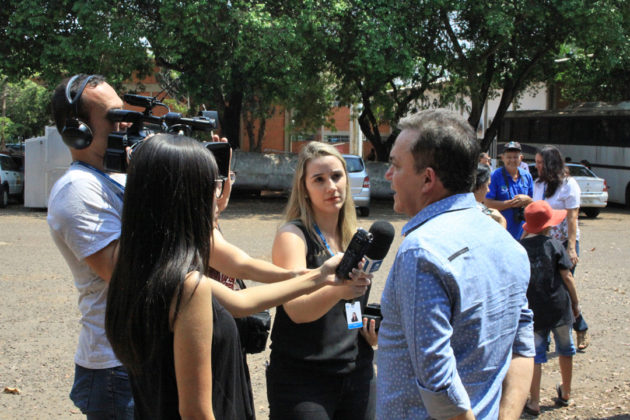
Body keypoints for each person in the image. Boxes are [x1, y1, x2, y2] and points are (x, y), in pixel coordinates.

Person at [104, 134, 370, 419]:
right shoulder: (188, 285)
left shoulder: (140, 267)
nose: (217, 196)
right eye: (211, 186)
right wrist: (321, 279)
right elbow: (196, 411)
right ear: (183, 198)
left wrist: (316, 276)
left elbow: (241, 297)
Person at [376, 109, 534, 419]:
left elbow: (439, 384)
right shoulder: (507, 243)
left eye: (395, 165)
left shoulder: (422, 252)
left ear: (427, 178)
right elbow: (523, 348)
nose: (387, 175)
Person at [267, 141, 378, 420]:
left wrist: (366, 330)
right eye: (319, 179)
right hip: (304, 380)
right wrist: (339, 291)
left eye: (337, 176)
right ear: (304, 188)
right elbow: (296, 310)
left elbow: (351, 304)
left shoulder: (355, 236)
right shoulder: (293, 236)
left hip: (357, 372)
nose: (331, 186)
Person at [48, 74, 135, 418]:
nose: (126, 123)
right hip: (115, 368)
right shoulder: (77, 190)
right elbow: (127, 272)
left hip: (138, 356)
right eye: (114, 117)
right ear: (77, 130)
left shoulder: (116, 177)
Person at [520, 201, 581, 416]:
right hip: (559, 306)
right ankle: (566, 392)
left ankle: (534, 400)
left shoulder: (520, 248)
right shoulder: (555, 245)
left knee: (535, 355)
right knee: (566, 348)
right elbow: (567, 276)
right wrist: (576, 304)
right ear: (549, 225)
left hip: (534, 309)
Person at [533, 146, 589, 350]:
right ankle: (545, 335)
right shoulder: (538, 183)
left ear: (551, 164)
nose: (537, 166)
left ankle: (579, 326)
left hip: (564, 243)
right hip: (545, 243)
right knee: (544, 288)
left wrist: (571, 248)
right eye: (536, 162)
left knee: (564, 288)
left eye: (541, 163)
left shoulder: (569, 185)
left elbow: (573, 218)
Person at [485, 141, 534, 239]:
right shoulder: (495, 176)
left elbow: (533, 203)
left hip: (523, 233)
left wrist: (527, 200)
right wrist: (512, 203)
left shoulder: (527, 176)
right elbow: (487, 203)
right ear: (502, 158)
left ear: (521, 158)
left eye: (515, 157)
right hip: (501, 232)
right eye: (509, 157)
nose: (512, 160)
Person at [474, 163, 507, 228]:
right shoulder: (481, 214)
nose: (488, 190)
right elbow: (499, 237)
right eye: (488, 185)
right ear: (480, 187)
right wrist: (502, 221)